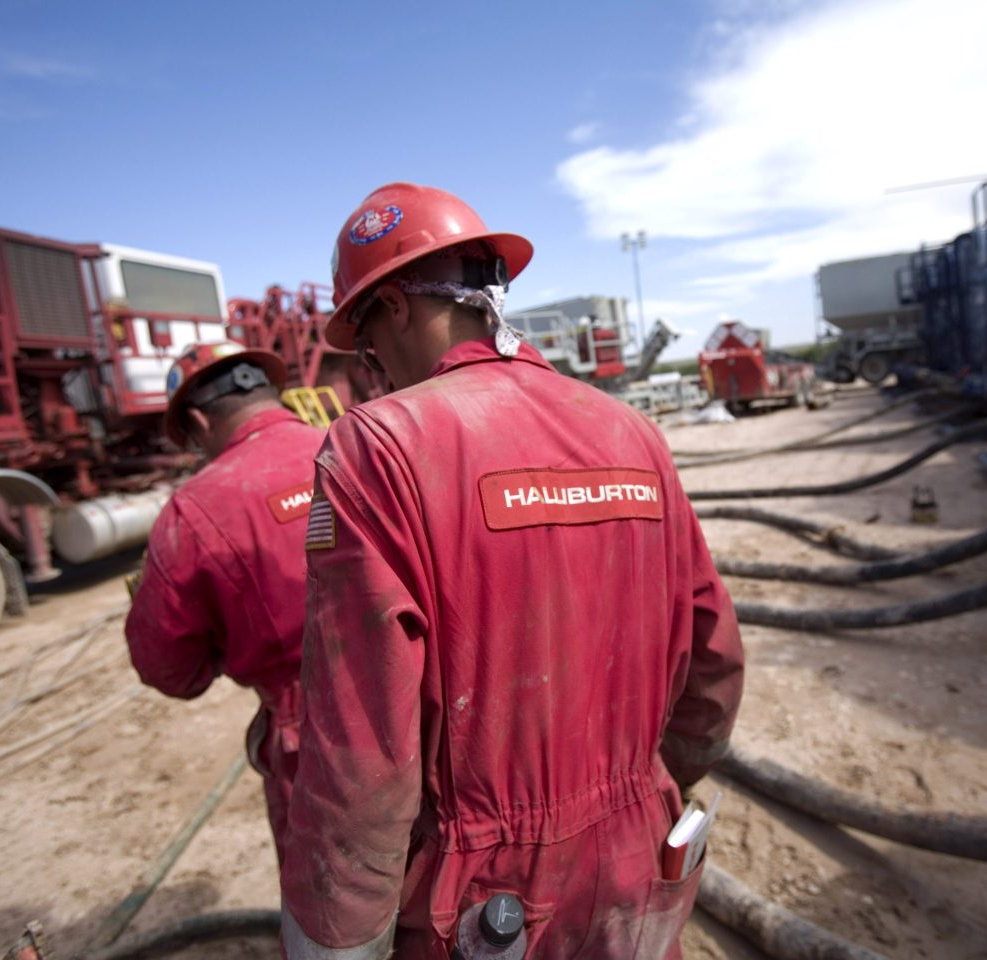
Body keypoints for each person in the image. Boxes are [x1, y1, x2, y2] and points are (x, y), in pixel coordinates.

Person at [281, 183, 745, 959]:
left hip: (485, 897)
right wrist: (661, 781)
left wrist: (337, 938)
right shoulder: (630, 430)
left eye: (366, 341)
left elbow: (363, 740)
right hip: (642, 854)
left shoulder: (380, 446)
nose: (374, 369)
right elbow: (714, 653)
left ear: (393, 308)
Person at [125, 341, 325, 861]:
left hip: (316, 747)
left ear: (197, 420)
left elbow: (169, 669)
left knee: (334, 922)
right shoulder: (364, 445)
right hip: (433, 708)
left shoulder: (194, 509)